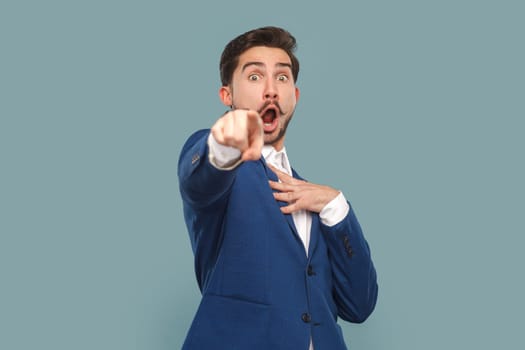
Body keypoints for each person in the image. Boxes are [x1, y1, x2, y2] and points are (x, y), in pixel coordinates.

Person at [178, 26, 378, 350]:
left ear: (294, 97)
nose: (271, 90)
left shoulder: (313, 198)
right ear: (227, 95)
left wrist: (336, 207)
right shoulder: (226, 170)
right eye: (255, 77)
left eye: (282, 78)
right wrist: (224, 142)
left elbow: (360, 306)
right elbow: (200, 177)